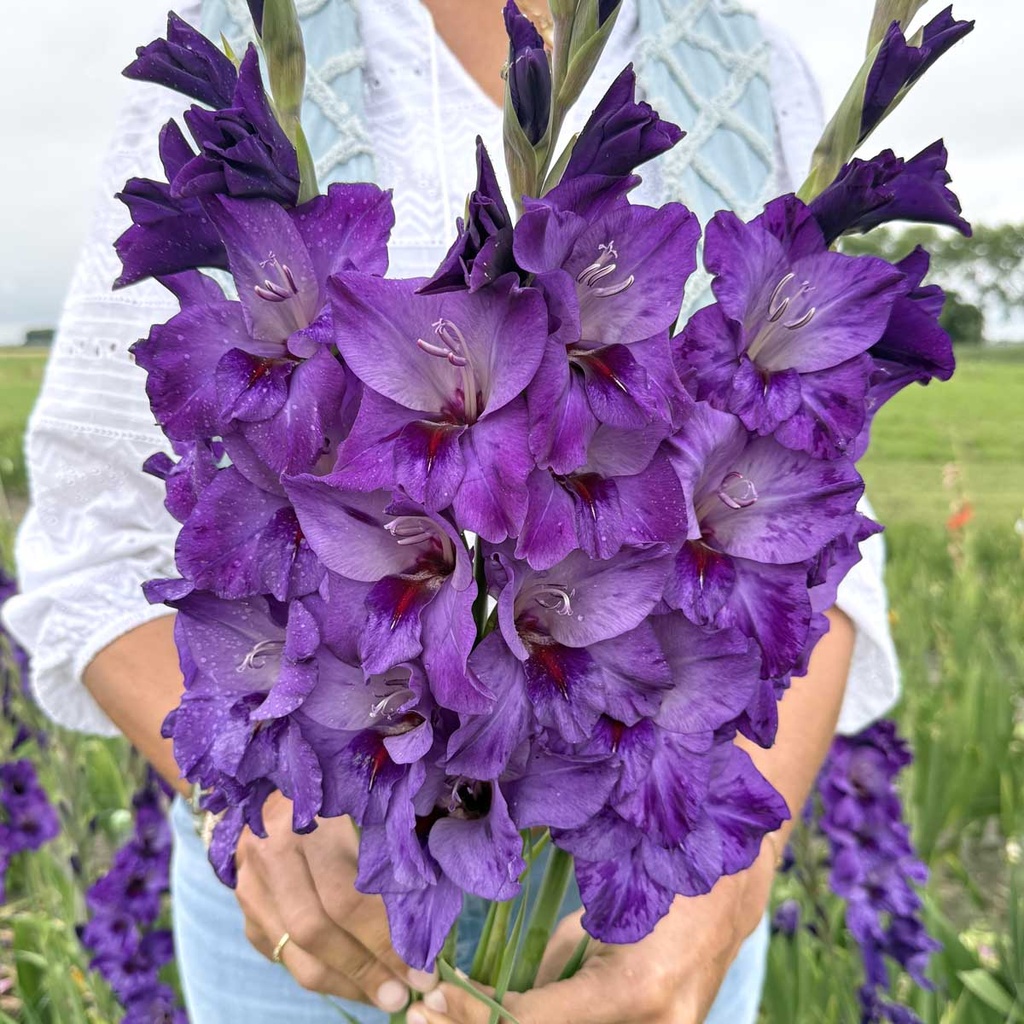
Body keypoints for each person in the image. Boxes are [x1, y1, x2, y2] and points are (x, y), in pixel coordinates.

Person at [3, 1, 902, 1021]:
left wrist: (720, 891)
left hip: (641, 913)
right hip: (320, 909)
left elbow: (813, 557)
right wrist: (264, 798)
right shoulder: (242, 27)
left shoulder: (748, 63)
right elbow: (91, 525)